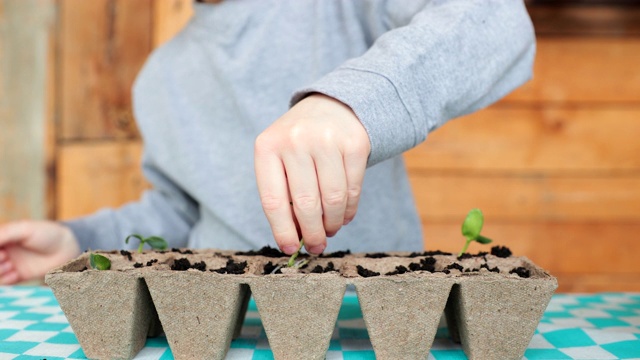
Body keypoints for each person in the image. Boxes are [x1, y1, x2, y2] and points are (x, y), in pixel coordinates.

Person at [0, 0, 535, 285]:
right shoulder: (159, 78)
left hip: (377, 327)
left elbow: (494, 19)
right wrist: (80, 239)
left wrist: (351, 102)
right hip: (224, 335)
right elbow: (178, 213)